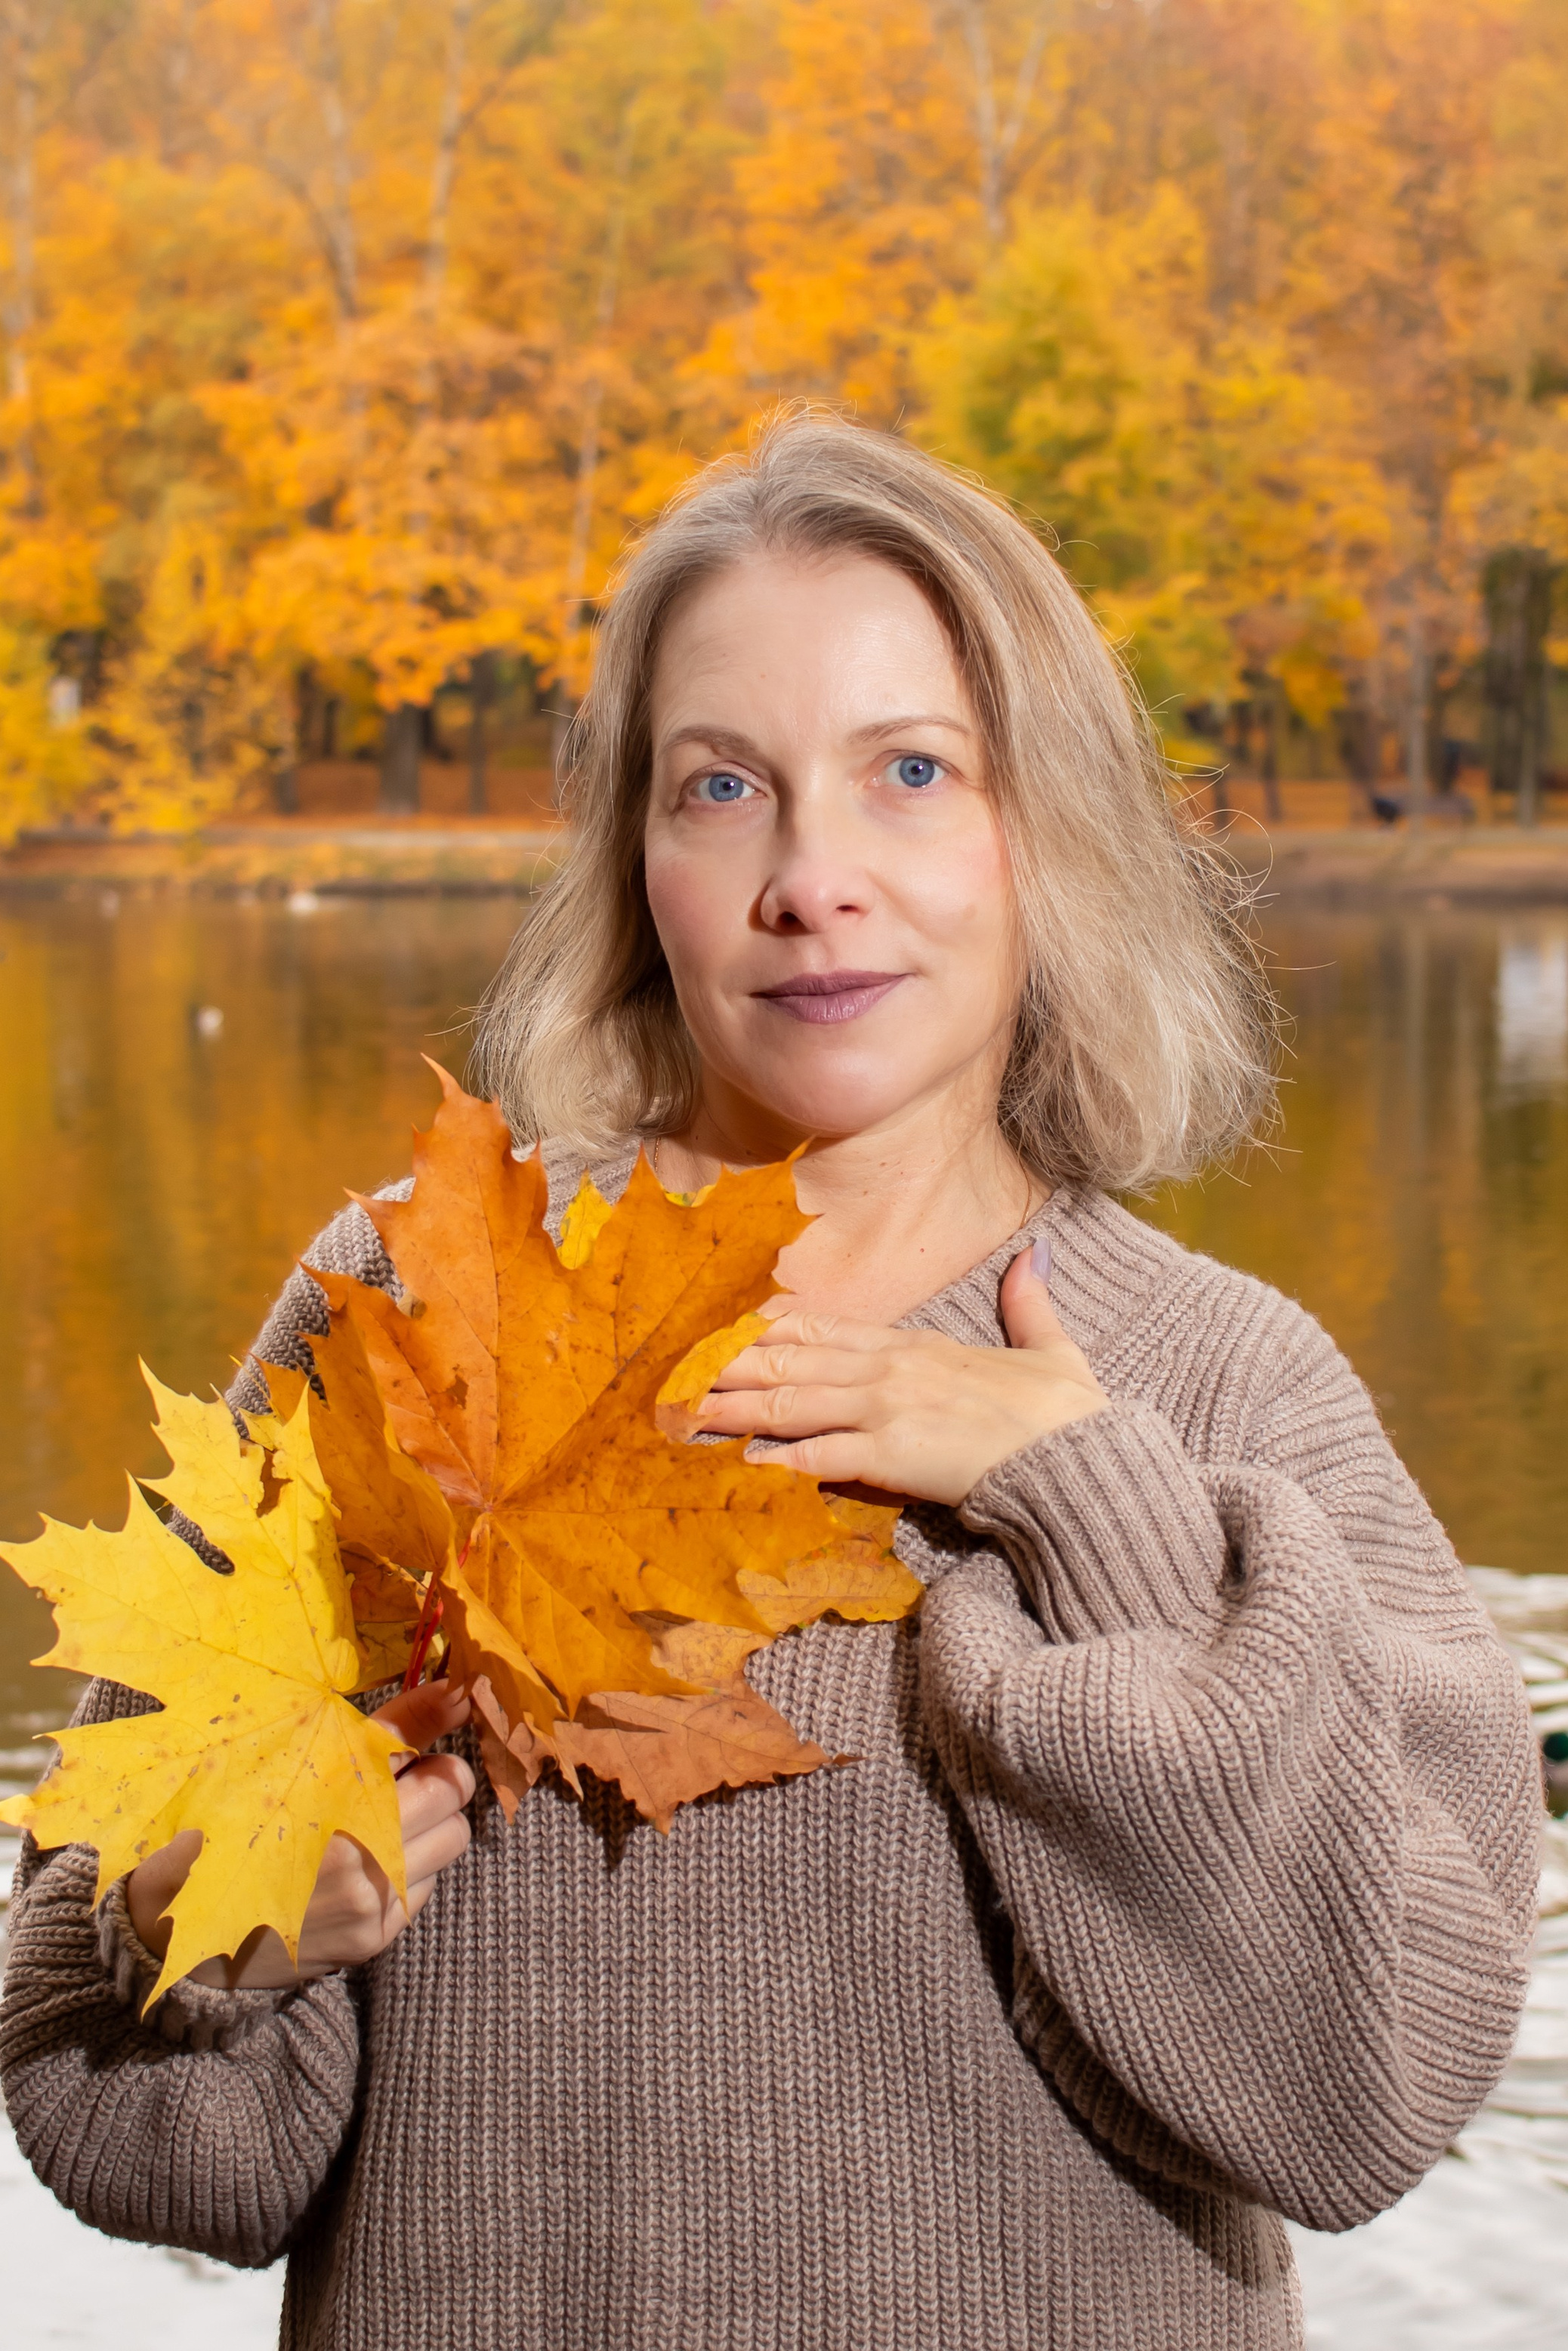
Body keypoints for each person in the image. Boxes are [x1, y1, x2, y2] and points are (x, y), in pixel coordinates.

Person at [1, 415, 1541, 2351]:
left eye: (912, 772)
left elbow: (1359, 2099)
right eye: (722, 786)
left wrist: (1097, 1513)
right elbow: (133, 2133)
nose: (812, 879)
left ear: (1046, 829)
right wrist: (202, 1939)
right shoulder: (405, 1300)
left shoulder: (1231, 1388)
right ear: (636, 860)